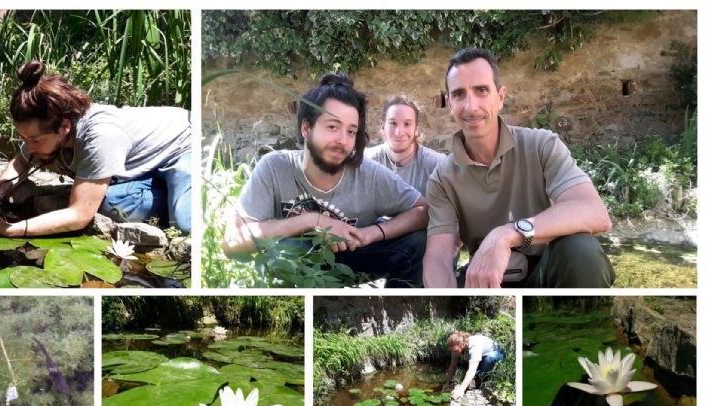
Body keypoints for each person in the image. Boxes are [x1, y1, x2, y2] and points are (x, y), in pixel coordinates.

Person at [423, 48, 615, 288]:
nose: (471, 106)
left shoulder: (541, 145)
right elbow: (438, 257)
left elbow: (594, 212)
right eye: (460, 94)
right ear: (449, 104)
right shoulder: (442, 178)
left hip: (547, 275)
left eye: (482, 90)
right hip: (487, 282)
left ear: (500, 97)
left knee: (580, 249)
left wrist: (505, 235)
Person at [223, 74, 428, 287]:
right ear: (306, 128)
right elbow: (233, 241)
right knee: (287, 249)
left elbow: (423, 210)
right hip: (301, 267)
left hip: (357, 259)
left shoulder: (369, 174)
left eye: (351, 131)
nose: (342, 140)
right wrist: (313, 221)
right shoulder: (275, 167)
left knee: (418, 241)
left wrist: (373, 233)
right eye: (332, 127)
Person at [0, 60, 192, 236]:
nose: (28, 147)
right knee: (107, 200)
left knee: (184, 221)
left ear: (64, 127)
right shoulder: (48, 129)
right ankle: (160, 190)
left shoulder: (100, 135)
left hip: (185, 146)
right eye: (23, 138)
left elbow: (79, 215)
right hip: (146, 160)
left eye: (34, 140)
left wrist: (11, 230)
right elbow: (19, 162)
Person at [364, 96, 444, 195]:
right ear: (383, 126)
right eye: (393, 123)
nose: (399, 132)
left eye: (407, 124)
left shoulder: (438, 166)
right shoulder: (367, 161)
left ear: (416, 129)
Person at [443, 331, 504, 400]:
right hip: (481, 356)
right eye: (451, 350)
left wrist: (461, 390)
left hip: (497, 353)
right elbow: (453, 366)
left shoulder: (474, 346)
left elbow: (472, 370)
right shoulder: (455, 349)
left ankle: (479, 380)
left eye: (455, 350)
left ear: (462, 344)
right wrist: (447, 382)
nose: (453, 352)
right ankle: (476, 376)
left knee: (489, 358)